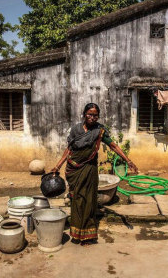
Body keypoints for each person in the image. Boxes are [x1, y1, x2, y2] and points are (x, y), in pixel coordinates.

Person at [50, 103, 138, 245]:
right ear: (84, 114)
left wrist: (127, 160)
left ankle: (88, 236)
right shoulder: (75, 130)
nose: (92, 118)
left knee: (89, 200)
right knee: (77, 200)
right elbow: (69, 150)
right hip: (74, 169)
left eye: (95, 115)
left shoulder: (100, 130)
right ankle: (76, 234)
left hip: (89, 169)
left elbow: (113, 146)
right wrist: (57, 165)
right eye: (90, 114)